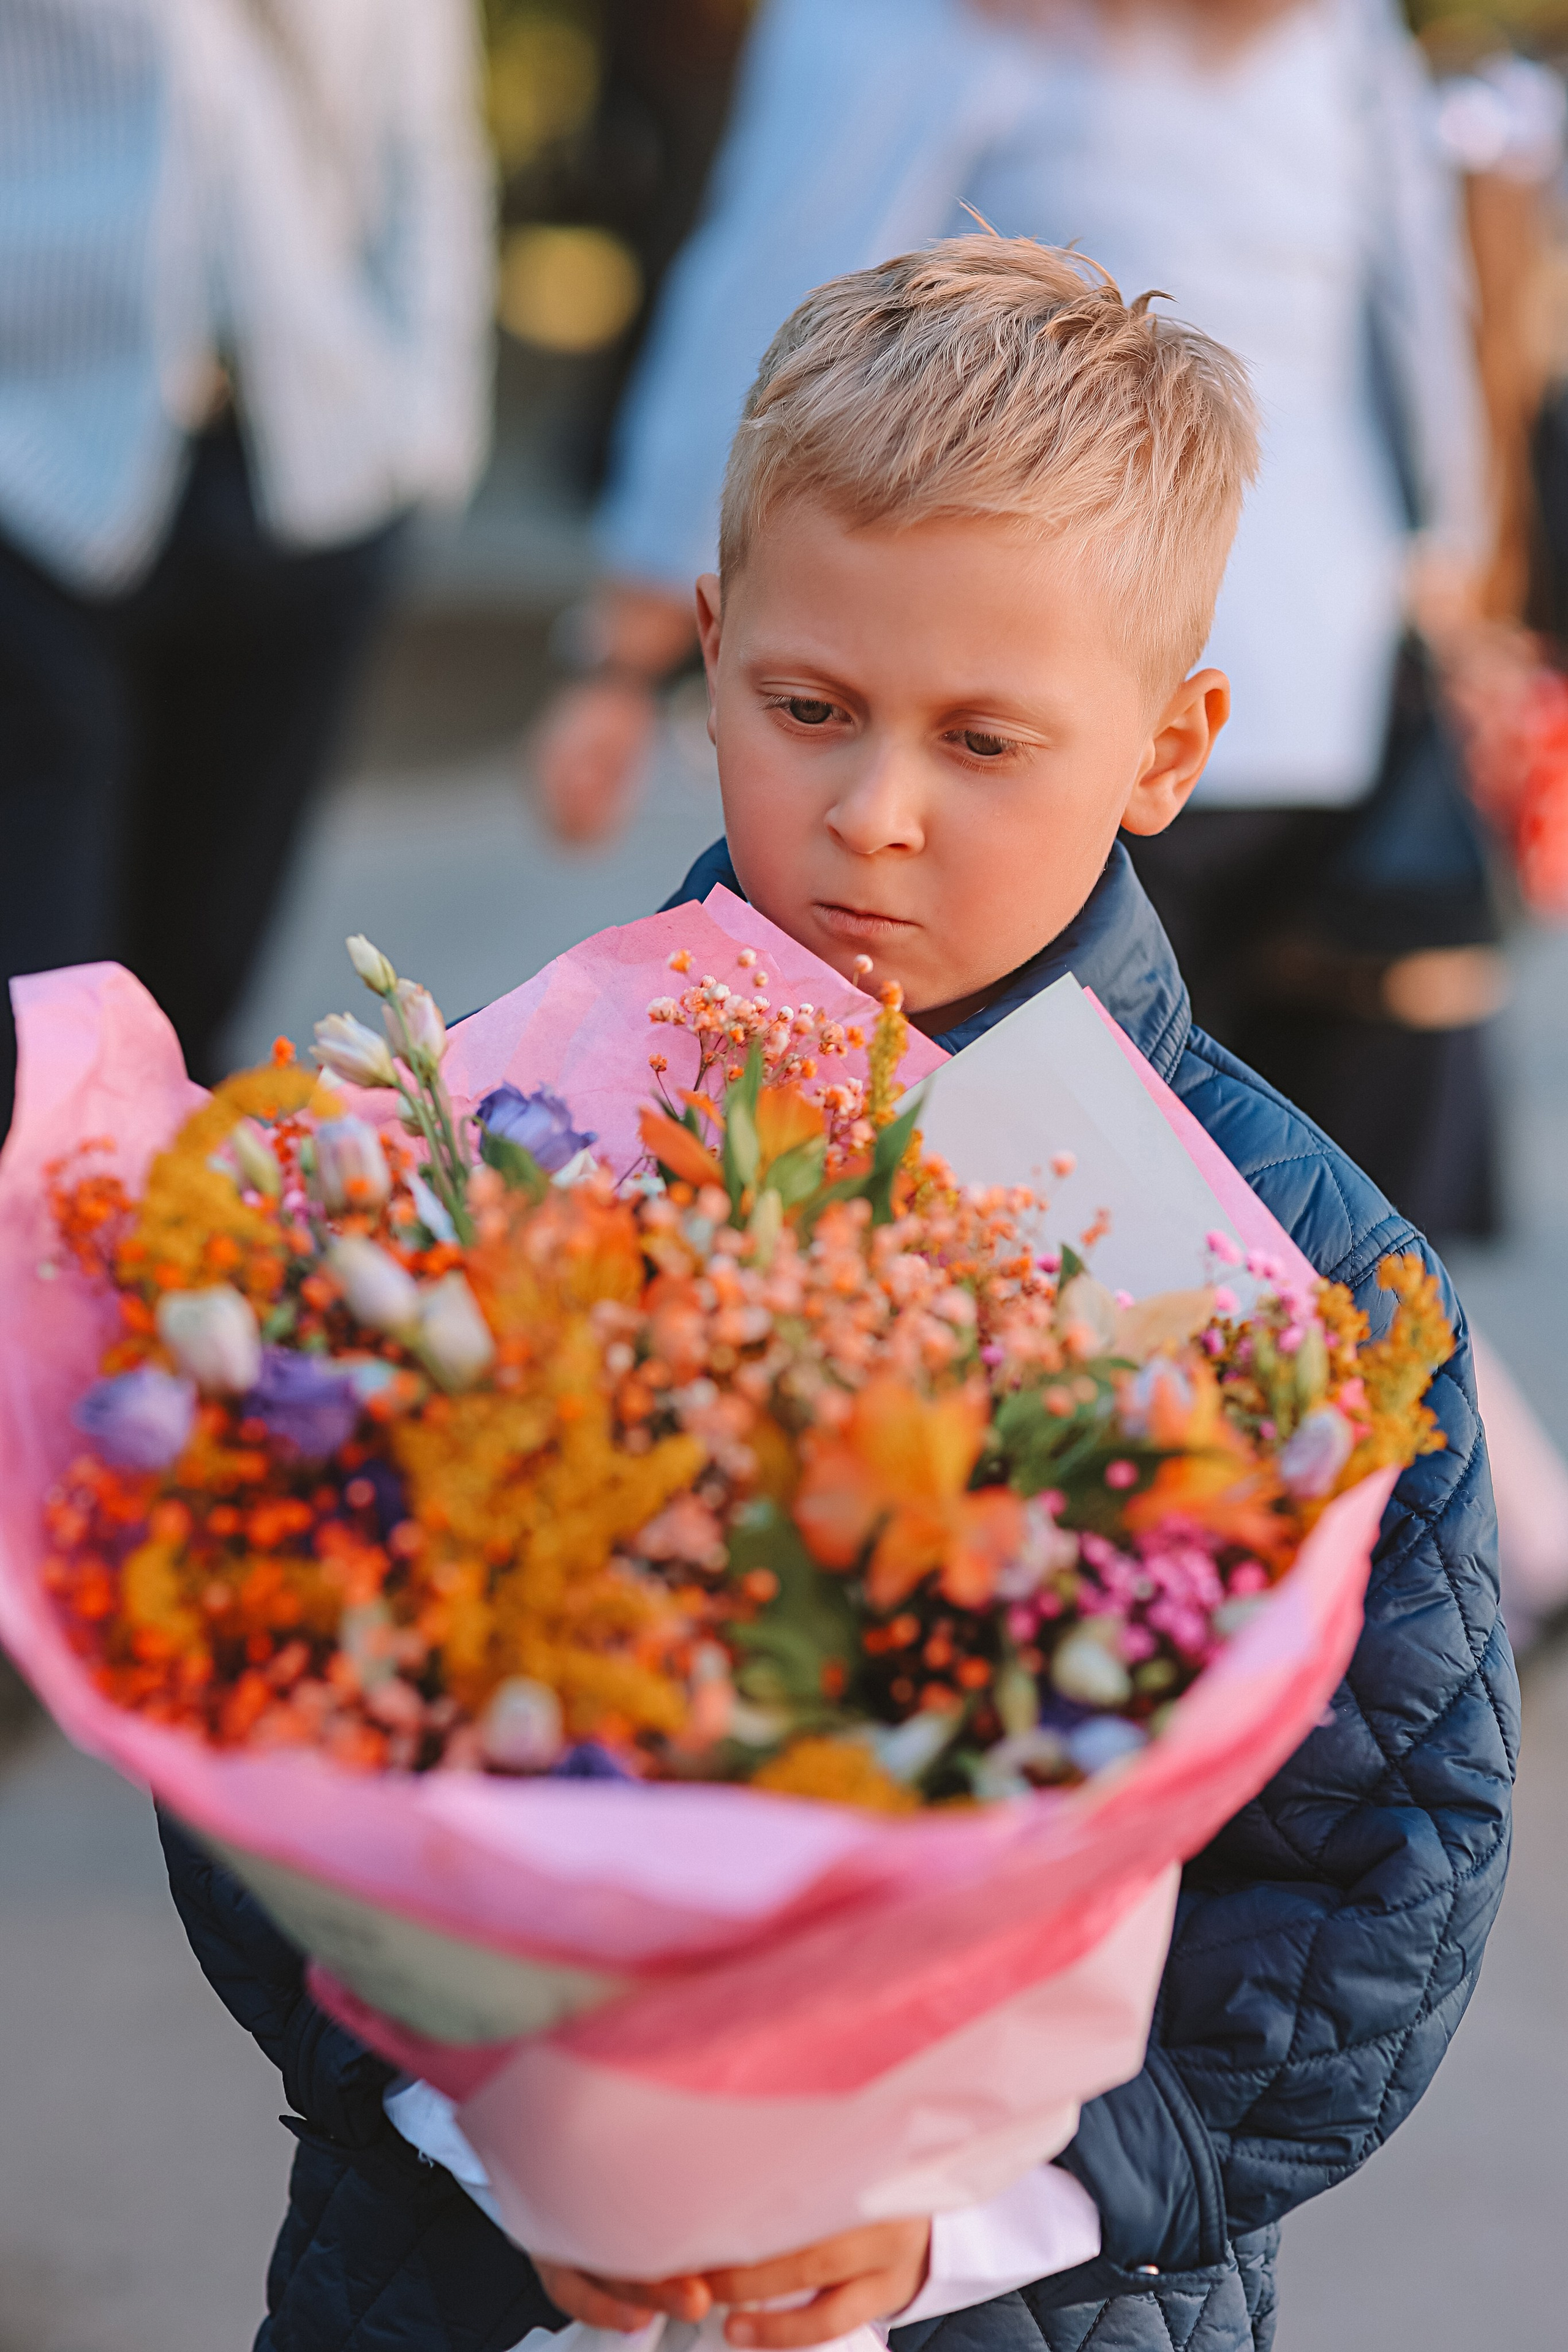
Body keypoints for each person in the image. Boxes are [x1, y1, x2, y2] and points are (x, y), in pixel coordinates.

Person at [159, 241, 1513, 2352]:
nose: (873, 815)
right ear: (711, 653)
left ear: (1170, 748)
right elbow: (239, 1691)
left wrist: (986, 2216)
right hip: (466, 2275)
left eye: (985, 741)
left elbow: (1385, 1849)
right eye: (809, 710)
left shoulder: (1288, 1269)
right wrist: (474, 2137)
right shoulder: (481, 1149)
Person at [530, 0, 1501, 1242]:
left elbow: (770, 278)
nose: (869, 816)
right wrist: (1449, 573)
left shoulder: (914, 18)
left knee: (1178, 1215)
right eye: (799, 713)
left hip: (1019, 662)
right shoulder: (1333, 28)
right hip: (1296, 670)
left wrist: (620, 656)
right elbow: (1418, 319)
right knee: (1263, 1224)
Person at [0, 0, 493, 1118]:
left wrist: (423, 436)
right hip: (32, 465)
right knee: (36, 1019)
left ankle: (148, 1278)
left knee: (194, 1004)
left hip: (307, 470)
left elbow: (424, 138)